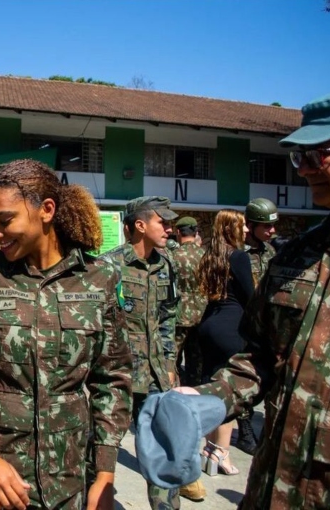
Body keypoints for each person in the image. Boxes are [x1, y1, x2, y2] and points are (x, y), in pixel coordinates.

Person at [0, 158, 132, 510]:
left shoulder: (99, 279)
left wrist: (105, 474)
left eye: (5, 221)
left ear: (46, 210)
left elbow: (113, 379)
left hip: (69, 480)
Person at [177, 89, 330, 509]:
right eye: (298, 158)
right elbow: (260, 355)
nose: (304, 171)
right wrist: (209, 396)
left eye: (318, 154)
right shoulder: (295, 256)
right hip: (274, 489)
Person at [100, 196, 181, 510]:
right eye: (163, 221)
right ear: (140, 225)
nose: (169, 228)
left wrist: (171, 361)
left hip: (156, 378)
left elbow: (168, 317)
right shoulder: (109, 265)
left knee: (161, 451)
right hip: (116, 377)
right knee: (103, 449)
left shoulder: (166, 264)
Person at [196, 209, 253, 477]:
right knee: (228, 391)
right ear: (232, 229)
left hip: (208, 325)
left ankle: (207, 449)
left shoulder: (210, 256)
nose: (246, 231)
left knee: (209, 385)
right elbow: (251, 296)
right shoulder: (239, 257)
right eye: (242, 227)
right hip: (232, 327)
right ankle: (222, 453)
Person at [234, 197, 279, 455]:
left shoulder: (272, 253)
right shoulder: (239, 254)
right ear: (250, 225)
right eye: (266, 227)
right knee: (246, 381)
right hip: (245, 325)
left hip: (270, 326)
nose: (271, 231)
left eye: (273, 226)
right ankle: (245, 431)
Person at [171, 217, 207, 387]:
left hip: (179, 315)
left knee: (173, 359)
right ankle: (194, 392)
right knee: (197, 360)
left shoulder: (173, 256)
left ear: (178, 232)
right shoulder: (205, 256)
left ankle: (175, 392)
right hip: (202, 314)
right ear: (196, 232)